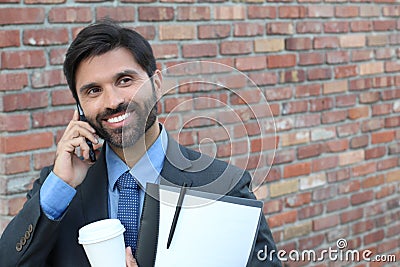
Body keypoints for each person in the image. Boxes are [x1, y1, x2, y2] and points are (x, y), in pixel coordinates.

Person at [0, 20, 281, 266]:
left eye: (124, 80)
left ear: (157, 83)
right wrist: (61, 184)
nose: (113, 102)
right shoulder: (58, 188)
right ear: (80, 108)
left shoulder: (225, 186)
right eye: (93, 90)